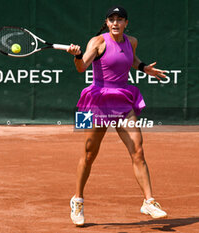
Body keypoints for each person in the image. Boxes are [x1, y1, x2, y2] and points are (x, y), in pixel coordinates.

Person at [66, 5, 168, 226]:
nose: (115, 23)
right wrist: (77, 56)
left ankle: (149, 201)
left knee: (138, 150)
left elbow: (129, 59)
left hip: (123, 98)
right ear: (107, 22)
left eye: (119, 20)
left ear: (126, 23)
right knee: (89, 153)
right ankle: (78, 199)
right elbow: (82, 67)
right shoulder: (97, 42)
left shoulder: (131, 41)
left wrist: (143, 67)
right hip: (98, 100)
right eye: (111, 19)